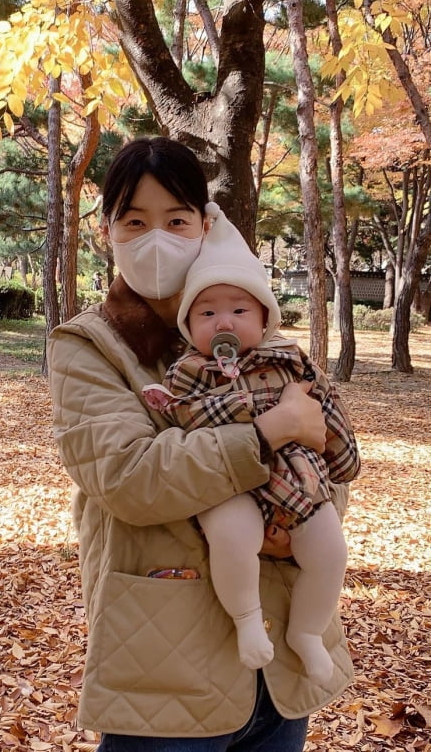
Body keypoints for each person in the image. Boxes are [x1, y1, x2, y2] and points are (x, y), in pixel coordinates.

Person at [47, 137, 354, 751]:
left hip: (280, 667)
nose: (155, 237)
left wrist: (296, 523)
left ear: (205, 225)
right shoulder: (91, 347)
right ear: (108, 231)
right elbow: (130, 478)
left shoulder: (259, 336)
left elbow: (329, 457)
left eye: (176, 220)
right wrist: (267, 434)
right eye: (134, 221)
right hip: (167, 663)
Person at [141, 207, 360, 688]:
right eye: (207, 313)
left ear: (264, 319)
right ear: (189, 326)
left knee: (330, 554)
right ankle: (245, 619)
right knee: (232, 537)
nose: (225, 321)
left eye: (239, 310)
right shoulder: (188, 373)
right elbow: (186, 419)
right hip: (230, 484)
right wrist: (259, 415)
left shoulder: (293, 361)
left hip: (299, 481)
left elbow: (326, 413)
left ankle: (307, 631)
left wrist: (343, 463)